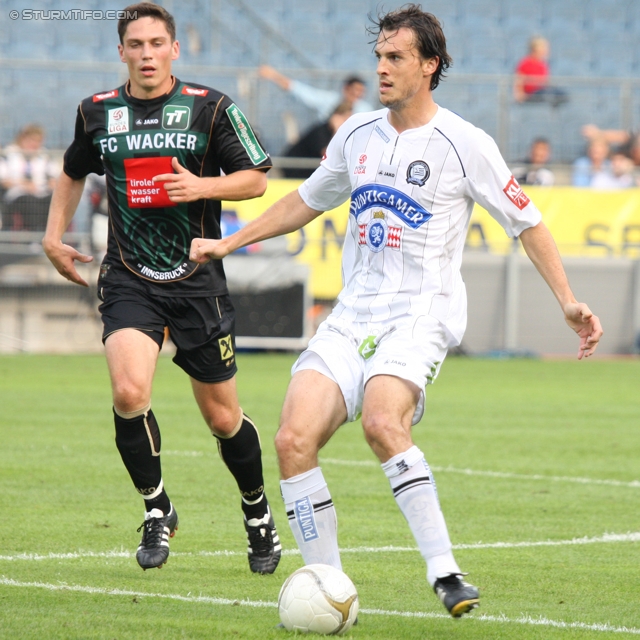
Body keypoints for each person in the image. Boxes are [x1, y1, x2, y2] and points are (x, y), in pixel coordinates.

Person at [192, 5, 603, 618]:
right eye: (379, 56)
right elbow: (305, 202)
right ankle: (326, 588)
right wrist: (229, 241)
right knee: (291, 439)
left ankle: (446, 574)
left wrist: (568, 300)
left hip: (419, 315)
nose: (381, 68)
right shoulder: (356, 134)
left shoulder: (465, 143)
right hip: (351, 315)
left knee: (385, 425)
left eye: (396, 57)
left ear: (429, 66)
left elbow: (529, 222)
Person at [42, 2, 281, 574]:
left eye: (156, 44)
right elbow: (74, 170)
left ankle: (257, 512)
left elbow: (255, 178)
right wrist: (54, 237)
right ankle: (157, 510)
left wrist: (200, 185)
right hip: (128, 276)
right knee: (129, 391)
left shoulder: (212, 107)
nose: (146, 54)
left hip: (197, 278)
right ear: (121, 52)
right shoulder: (95, 113)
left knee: (223, 418)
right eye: (136, 45)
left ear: (175, 49)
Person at [259, 65, 375, 121]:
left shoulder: (366, 109)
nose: (358, 95)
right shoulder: (330, 100)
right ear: (346, 88)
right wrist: (274, 76)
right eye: (355, 90)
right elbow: (301, 91)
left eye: (361, 92)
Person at [0, 124, 59, 231]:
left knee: (54, 200)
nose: (34, 144)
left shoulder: (45, 157)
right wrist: (24, 185)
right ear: (22, 139)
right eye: (31, 140)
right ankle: (33, 236)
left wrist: (51, 184)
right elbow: (4, 181)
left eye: (38, 141)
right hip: (17, 196)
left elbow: (53, 178)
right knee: (29, 202)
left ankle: (50, 235)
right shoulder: (7, 155)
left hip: (41, 193)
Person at [281, 102, 353, 179]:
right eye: (345, 119)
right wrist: (337, 131)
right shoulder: (321, 132)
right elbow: (329, 156)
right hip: (292, 171)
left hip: (305, 174)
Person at [514, 36, 568, 108]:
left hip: (543, 91)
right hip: (532, 94)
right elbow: (519, 81)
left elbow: (546, 82)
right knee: (549, 94)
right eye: (543, 47)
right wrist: (520, 95)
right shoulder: (525, 63)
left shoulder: (543, 65)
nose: (545, 50)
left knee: (561, 94)